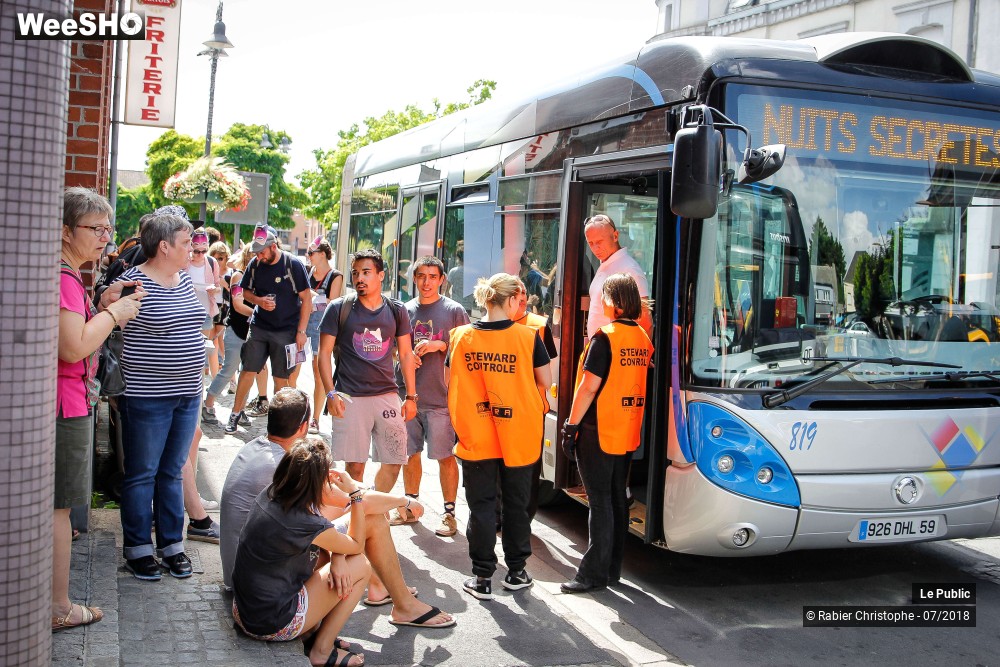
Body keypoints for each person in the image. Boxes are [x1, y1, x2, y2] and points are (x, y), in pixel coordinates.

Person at [221, 389, 453, 631]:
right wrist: (402, 501)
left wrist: (339, 549)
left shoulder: (258, 449)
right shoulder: (289, 467)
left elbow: (333, 507)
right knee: (369, 520)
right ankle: (400, 603)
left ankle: (381, 589)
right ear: (303, 427)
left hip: (250, 575)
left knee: (358, 518)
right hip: (265, 586)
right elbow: (351, 503)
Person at [55, 187, 143, 630]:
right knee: (61, 510)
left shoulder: (69, 275)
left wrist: (102, 304)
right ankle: (57, 605)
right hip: (64, 403)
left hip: (62, 401)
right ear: (66, 230)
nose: (105, 238)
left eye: (108, 229)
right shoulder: (64, 278)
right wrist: (114, 314)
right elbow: (73, 347)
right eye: (96, 228)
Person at [116, 211, 207, 580]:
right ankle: (138, 548)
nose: (194, 248)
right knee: (142, 474)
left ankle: (172, 545)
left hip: (187, 394)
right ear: (164, 246)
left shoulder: (183, 279)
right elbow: (109, 324)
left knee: (172, 471)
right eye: (187, 243)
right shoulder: (132, 284)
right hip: (147, 397)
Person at [448, 273, 551, 600]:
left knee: (481, 507)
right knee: (517, 506)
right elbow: (544, 382)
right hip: (518, 434)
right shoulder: (528, 337)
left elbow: (452, 380)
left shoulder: (461, 336)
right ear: (510, 300)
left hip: (476, 435)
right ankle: (517, 572)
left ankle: (481, 578)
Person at [232, 439, 369, 667]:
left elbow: (330, 535)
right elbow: (355, 545)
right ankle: (322, 651)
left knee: (328, 557)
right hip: (271, 622)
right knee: (361, 566)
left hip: (245, 610)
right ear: (318, 483)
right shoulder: (303, 522)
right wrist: (355, 494)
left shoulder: (274, 493)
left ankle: (313, 632)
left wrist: (337, 555)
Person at [560, 273, 652, 593]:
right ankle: (612, 570)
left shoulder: (605, 338)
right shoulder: (642, 337)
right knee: (616, 500)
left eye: (602, 296)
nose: (600, 301)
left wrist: (570, 427)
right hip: (626, 428)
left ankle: (592, 575)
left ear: (611, 301)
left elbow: (587, 389)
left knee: (599, 503)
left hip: (597, 429)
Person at [317, 248, 417, 491]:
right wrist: (331, 394)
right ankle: (356, 516)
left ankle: (372, 508)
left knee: (394, 461)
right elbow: (323, 355)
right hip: (350, 397)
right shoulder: (339, 308)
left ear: (381, 275)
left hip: (387, 396)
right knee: (355, 468)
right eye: (355, 273)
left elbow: (405, 354)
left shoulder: (397, 310)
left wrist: (411, 397)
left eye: (366, 272)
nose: (359, 278)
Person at [388, 256, 469, 537]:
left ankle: (449, 515)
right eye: (421, 276)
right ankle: (411, 506)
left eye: (433, 276)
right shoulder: (403, 310)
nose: (426, 282)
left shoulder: (455, 311)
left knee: (445, 457)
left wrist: (439, 345)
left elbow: (466, 353)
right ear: (414, 278)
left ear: (442, 280)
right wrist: (406, 357)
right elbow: (393, 350)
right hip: (408, 395)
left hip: (441, 399)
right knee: (410, 454)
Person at [225, 225, 312, 434]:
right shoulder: (255, 264)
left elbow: (306, 298)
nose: (259, 255)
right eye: (256, 251)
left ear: (273, 246)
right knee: (248, 369)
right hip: (260, 326)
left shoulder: (292, 264)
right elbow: (245, 292)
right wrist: (259, 301)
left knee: (280, 378)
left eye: (262, 251)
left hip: (286, 329)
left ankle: (276, 424)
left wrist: (301, 331)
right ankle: (235, 413)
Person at [204, 243, 255, 421]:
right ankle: (208, 404)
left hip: (254, 332)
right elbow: (237, 304)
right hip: (236, 329)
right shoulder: (238, 276)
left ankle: (239, 410)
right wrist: (260, 311)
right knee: (228, 369)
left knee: (249, 372)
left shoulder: (261, 278)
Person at [584, 214, 652, 338]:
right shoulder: (606, 263)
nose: (595, 248)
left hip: (617, 352)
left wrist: (640, 356)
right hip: (602, 349)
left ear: (615, 236)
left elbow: (645, 321)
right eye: (591, 243)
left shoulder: (629, 268)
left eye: (599, 241)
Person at [304, 236, 343, 434]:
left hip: (322, 328)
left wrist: (312, 297)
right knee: (292, 370)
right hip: (303, 326)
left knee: (318, 372)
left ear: (322, 254)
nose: (308, 256)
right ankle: (296, 414)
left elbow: (332, 303)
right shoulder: (307, 272)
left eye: (311, 253)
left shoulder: (335, 276)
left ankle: (315, 418)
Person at [186, 229, 221, 379]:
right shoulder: (184, 262)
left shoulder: (212, 263)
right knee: (186, 348)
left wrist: (214, 290)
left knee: (201, 349)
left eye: (203, 251)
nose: (200, 254)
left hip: (205, 311)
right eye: (196, 251)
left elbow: (218, 286)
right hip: (186, 311)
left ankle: (197, 382)